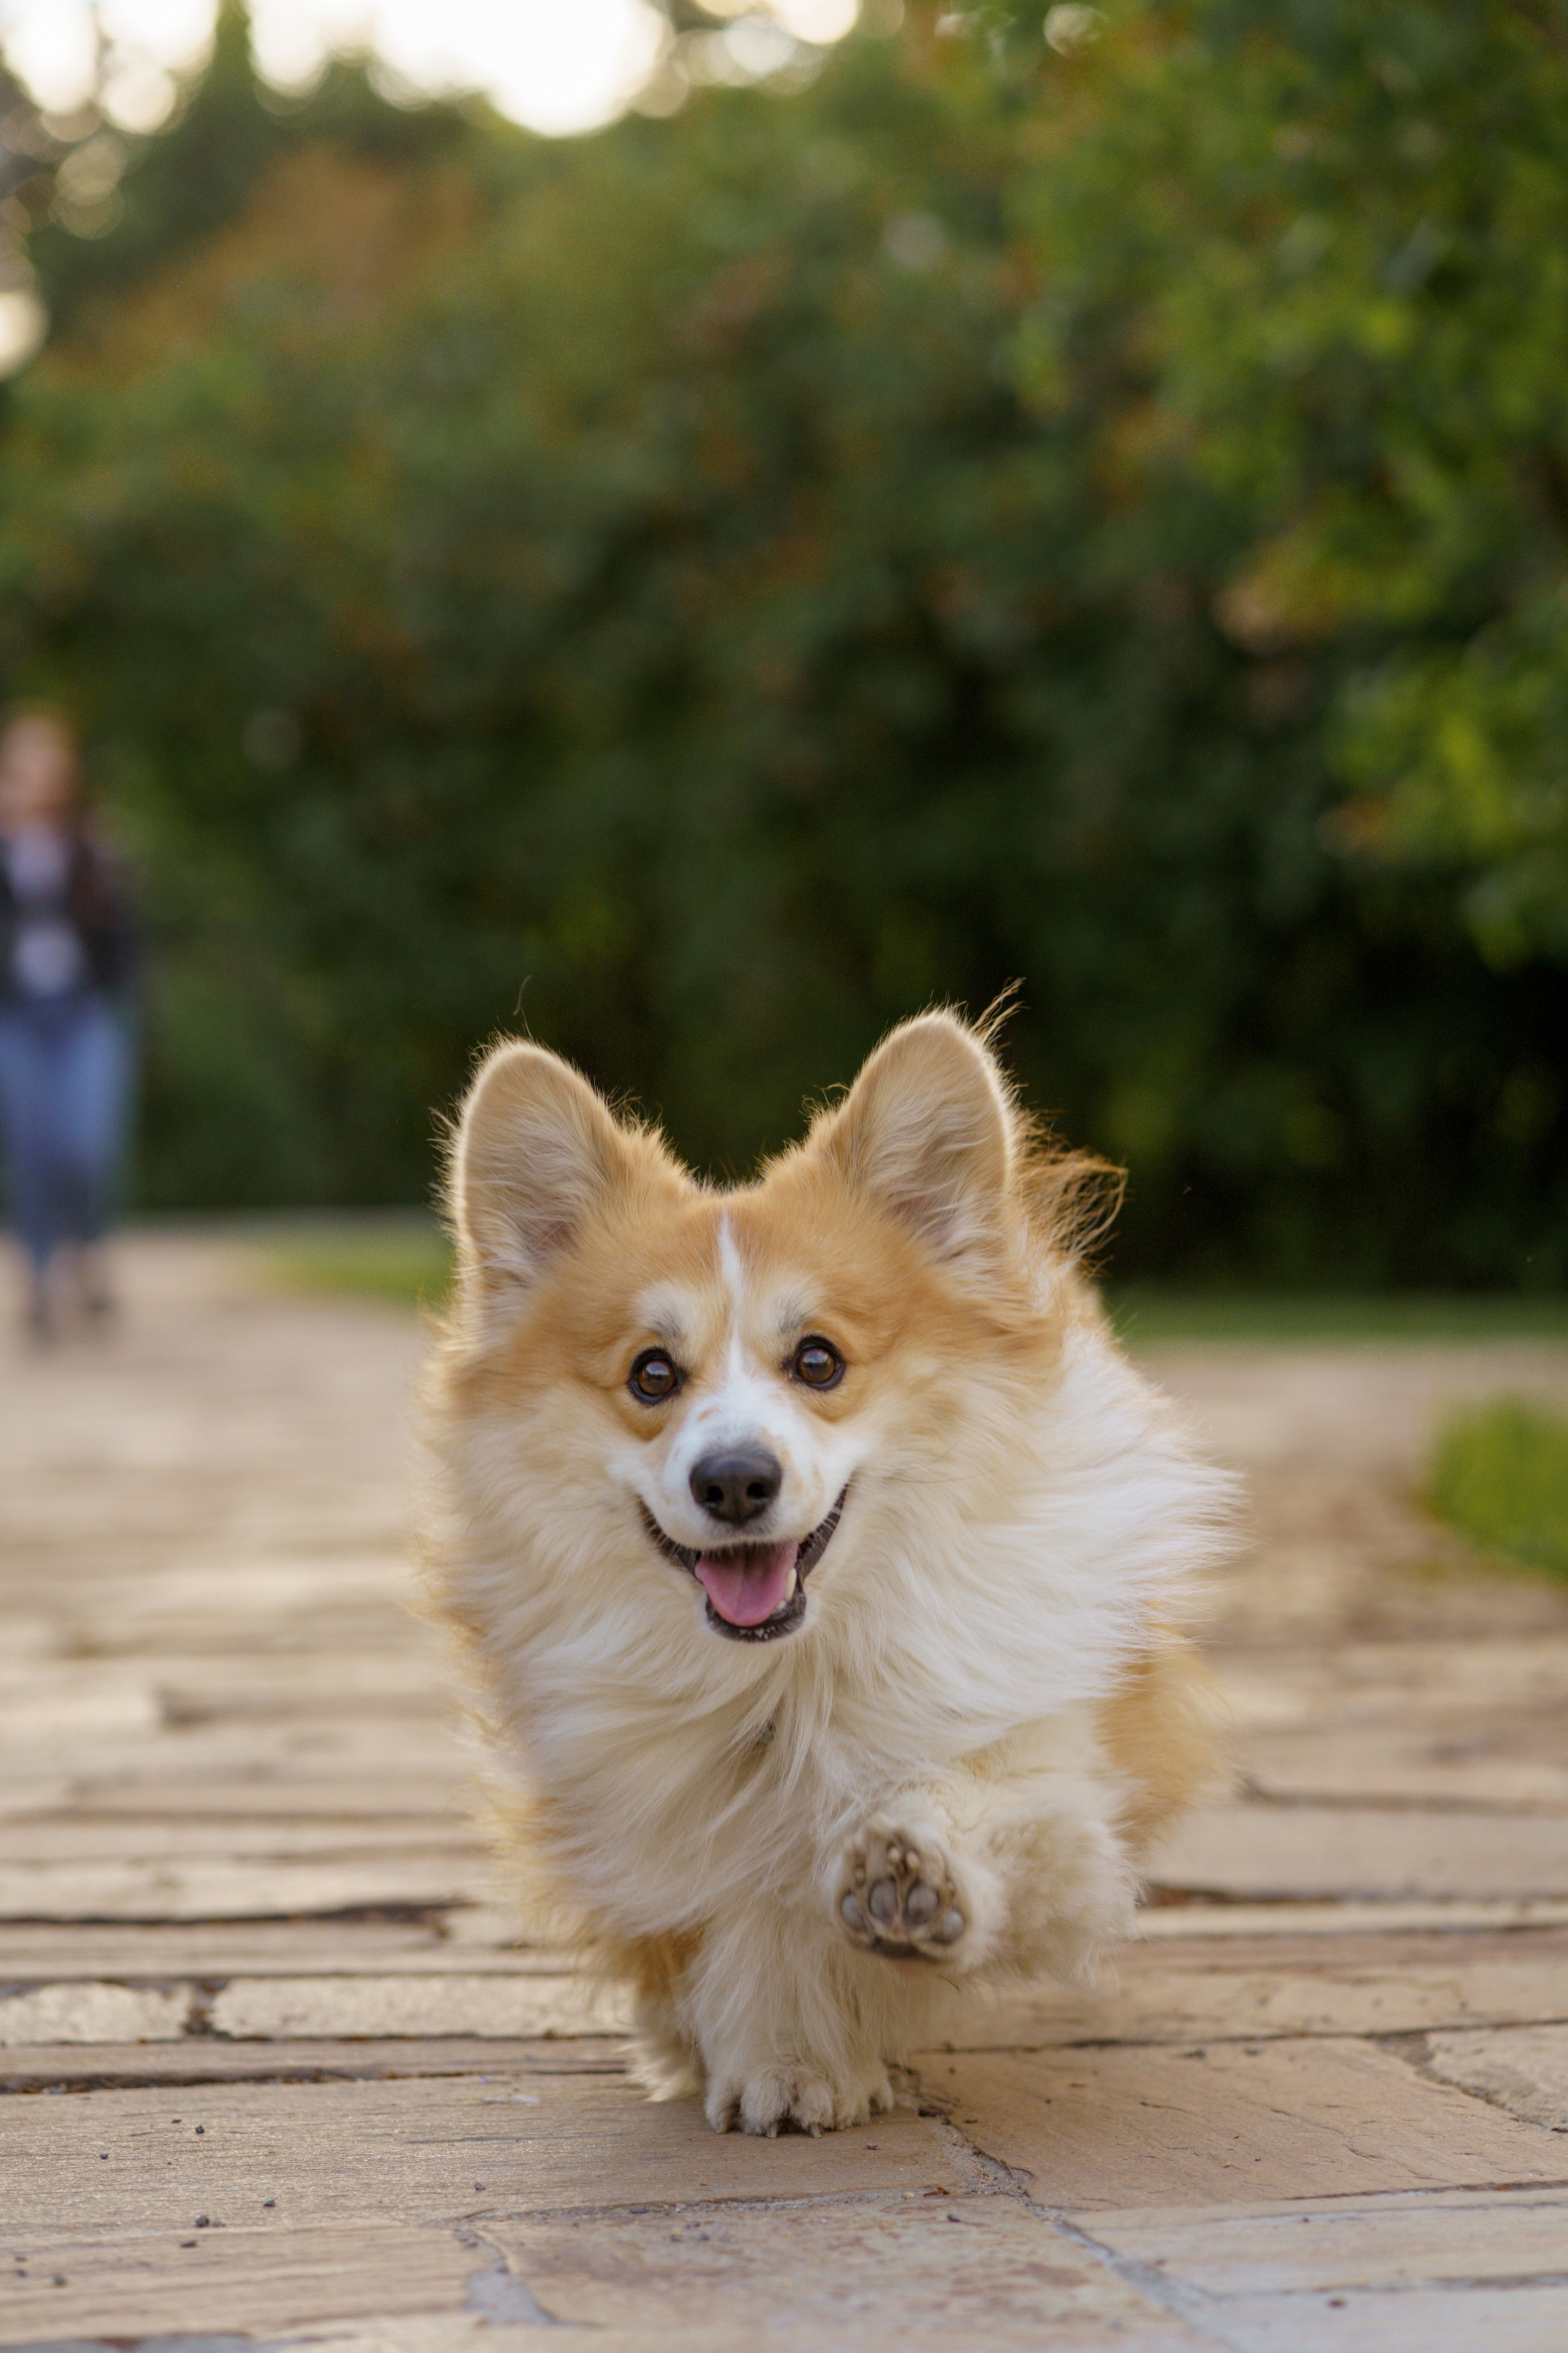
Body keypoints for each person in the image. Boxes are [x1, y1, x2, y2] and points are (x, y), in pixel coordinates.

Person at [0, 708, 137, 1340]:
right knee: (33, 1149)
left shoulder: (92, 848)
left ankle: (89, 1250)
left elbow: (125, 939)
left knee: (83, 1147)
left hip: (83, 1014)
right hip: (18, 1015)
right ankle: (39, 1283)